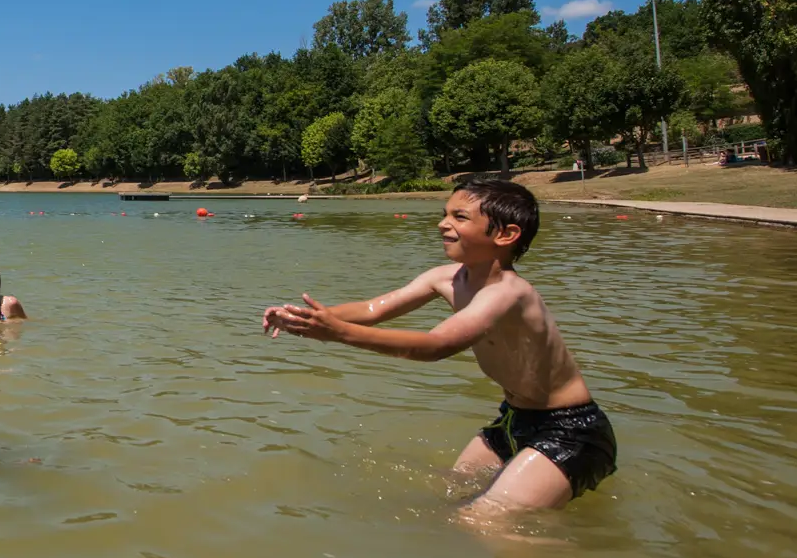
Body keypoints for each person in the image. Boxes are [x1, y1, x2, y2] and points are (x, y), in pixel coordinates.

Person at [261, 177, 615, 516]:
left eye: (459, 217)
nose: (442, 224)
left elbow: (435, 346)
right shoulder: (445, 277)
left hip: (571, 431)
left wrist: (338, 333)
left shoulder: (508, 293)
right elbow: (373, 309)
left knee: (483, 520)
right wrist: (304, 317)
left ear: (506, 234)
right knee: (451, 490)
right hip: (516, 418)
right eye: (444, 214)